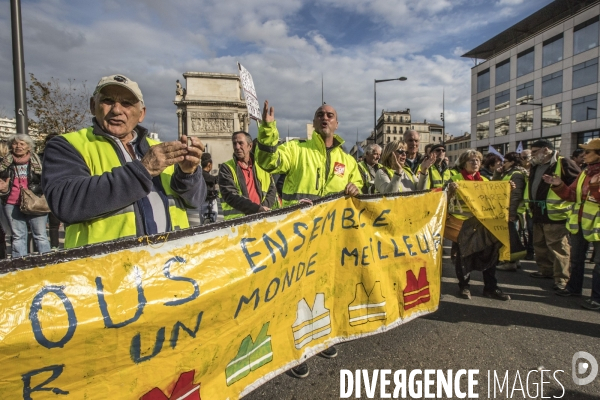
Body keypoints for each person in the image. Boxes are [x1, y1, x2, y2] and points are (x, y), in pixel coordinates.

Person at [257, 100, 361, 378]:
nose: (325, 118)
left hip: (329, 240)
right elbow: (268, 161)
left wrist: (355, 186)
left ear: (336, 124)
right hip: (296, 238)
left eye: (330, 115)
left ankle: (319, 340)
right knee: (293, 294)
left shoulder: (348, 161)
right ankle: (292, 352)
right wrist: (268, 129)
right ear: (314, 123)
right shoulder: (296, 150)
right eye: (320, 115)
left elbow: (359, 184)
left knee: (323, 292)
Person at [42, 74, 206, 248]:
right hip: (105, 267)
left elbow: (194, 200)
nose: (117, 110)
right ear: (93, 105)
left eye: (127, 103)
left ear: (141, 113)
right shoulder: (68, 145)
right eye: (107, 101)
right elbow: (66, 203)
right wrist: (143, 170)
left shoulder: (159, 149)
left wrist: (188, 174)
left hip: (168, 262)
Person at [447, 150, 510, 301]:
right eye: (471, 160)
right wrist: (449, 191)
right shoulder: (455, 180)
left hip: (483, 225)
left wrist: (508, 189)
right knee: (463, 257)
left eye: (477, 160)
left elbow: (494, 202)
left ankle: (491, 288)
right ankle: (464, 286)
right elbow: (444, 200)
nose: (475, 162)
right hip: (462, 225)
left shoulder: (486, 181)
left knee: (490, 255)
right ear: (463, 163)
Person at [546, 138, 600, 310]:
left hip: (597, 227)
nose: (583, 155)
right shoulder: (585, 172)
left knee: (599, 265)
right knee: (576, 259)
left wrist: (595, 187)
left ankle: (597, 298)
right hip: (579, 224)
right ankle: (573, 288)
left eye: (588, 152)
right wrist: (559, 185)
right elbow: (571, 195)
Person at [527, 139, 580, 291]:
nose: (532, 155)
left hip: (555, 214)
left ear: (546, 150)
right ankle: (546, 270)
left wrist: (559, 185)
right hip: (538, 212)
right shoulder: (536, 166)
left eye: (535, 151)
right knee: (540, 245)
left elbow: (576, 187)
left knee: (558, 248)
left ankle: (561, 278)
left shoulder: (564, 163)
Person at [0, 134, 51, 258]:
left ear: (29, 147)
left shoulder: (39, 161)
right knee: (18, 236)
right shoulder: (4, 163)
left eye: (22, 144)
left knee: (40, 235)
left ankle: (46, 262)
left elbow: (47, 179)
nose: (18, 146)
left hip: (35, 201)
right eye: (15, 143)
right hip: (12, 203)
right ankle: (20, 263)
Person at [218, 131, 277, 219]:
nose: (237, 147)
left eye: (241, 143)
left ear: (250, 146)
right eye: (234, 144)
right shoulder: (226, 168)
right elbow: (230, 195)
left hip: (263, 218)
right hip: (238, 223)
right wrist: (256, 209)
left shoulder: (261, 165)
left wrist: (262, 210)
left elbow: (272, 190)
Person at [493, 152, 527, 271]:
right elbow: (495, 186)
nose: (503, 164)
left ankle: (510, 262)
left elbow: (515, 196)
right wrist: (497, 173)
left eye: (505, 162)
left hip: (513, 211)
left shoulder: (516, 175)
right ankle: (514, 261)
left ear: (512, 162)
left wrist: (512, 213)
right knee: (511, 237)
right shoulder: (507, 173)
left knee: (511, 238)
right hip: (507, 210)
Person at [520, 149, 535, 260]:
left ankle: (531, 250)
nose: (523, 160)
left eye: (525, 157)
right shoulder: (519, 170)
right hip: (522, 205)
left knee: (531, 229)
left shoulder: (535, 169)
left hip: (532, 205)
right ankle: (526, 249)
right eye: (521, 158)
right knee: (524, 230)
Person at [200, 153, 219, 224]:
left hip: (210, 201)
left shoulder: (204, 174)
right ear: (209, 164)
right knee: (205, 226)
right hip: (205, 203)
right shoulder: (203, 174)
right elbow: (214, 179)